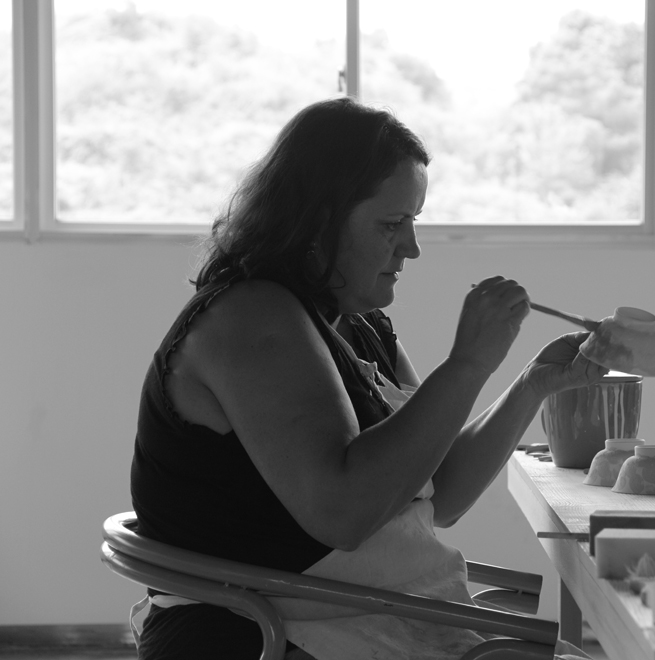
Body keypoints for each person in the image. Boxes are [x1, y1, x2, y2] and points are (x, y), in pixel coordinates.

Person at [129, 97, 607, 660]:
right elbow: (344, 514)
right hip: (262, 636)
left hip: (363, 616)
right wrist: (466, 365)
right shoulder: (253, 316)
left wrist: (532, 383)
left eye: (414, 222)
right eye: (391, 224)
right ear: (318, 221)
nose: (412, 247)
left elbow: (441, 492)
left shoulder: (357, 324)